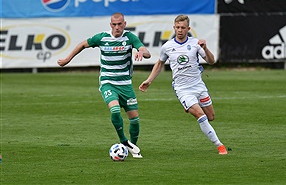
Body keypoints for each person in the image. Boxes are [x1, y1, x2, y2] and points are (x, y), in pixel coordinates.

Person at [58, 12, 151, 158]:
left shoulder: (130, 37)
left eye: (120, 24)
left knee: (134, 119)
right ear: (110, 25)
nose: (117, 27)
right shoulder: (102, 38)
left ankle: (133, 146)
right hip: (108, 82)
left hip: (125, 84)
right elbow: (83, 44)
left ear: (124, 24)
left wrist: (140, 51)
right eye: (114, 24)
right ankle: (123, 141)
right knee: (114, 110)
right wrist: (68, 59)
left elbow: (147, 52)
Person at [139, 15, 227, 155]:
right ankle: (220, 146)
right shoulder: (167, 46)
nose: (180, 30)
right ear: (174, 28)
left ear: (188, 28)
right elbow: (160, 63)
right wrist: (149, 80)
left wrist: (206, 48)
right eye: (177, 27)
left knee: (210, 117)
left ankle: (189, 106)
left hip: (199, 86)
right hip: (182, 89)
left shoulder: (196, 43)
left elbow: (211, 61)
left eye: (183, 28)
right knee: (200, 115)